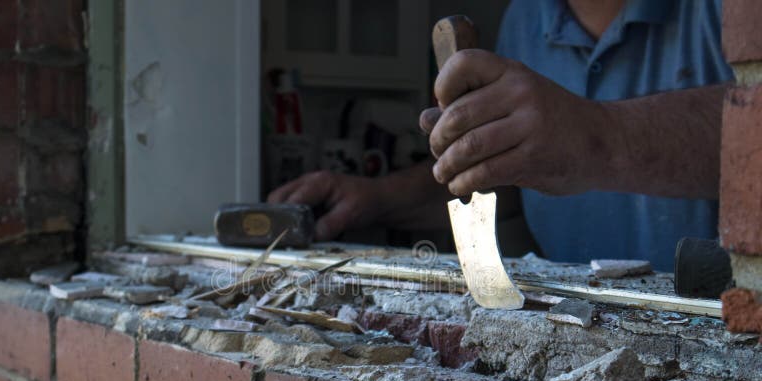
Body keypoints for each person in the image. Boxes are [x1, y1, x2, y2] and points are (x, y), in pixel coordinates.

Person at [268, 0, 733, 271]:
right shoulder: (526, 18)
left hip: (721, 337)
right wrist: (378, 197)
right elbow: (513, 171)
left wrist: (594, 136)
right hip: (579, 329)